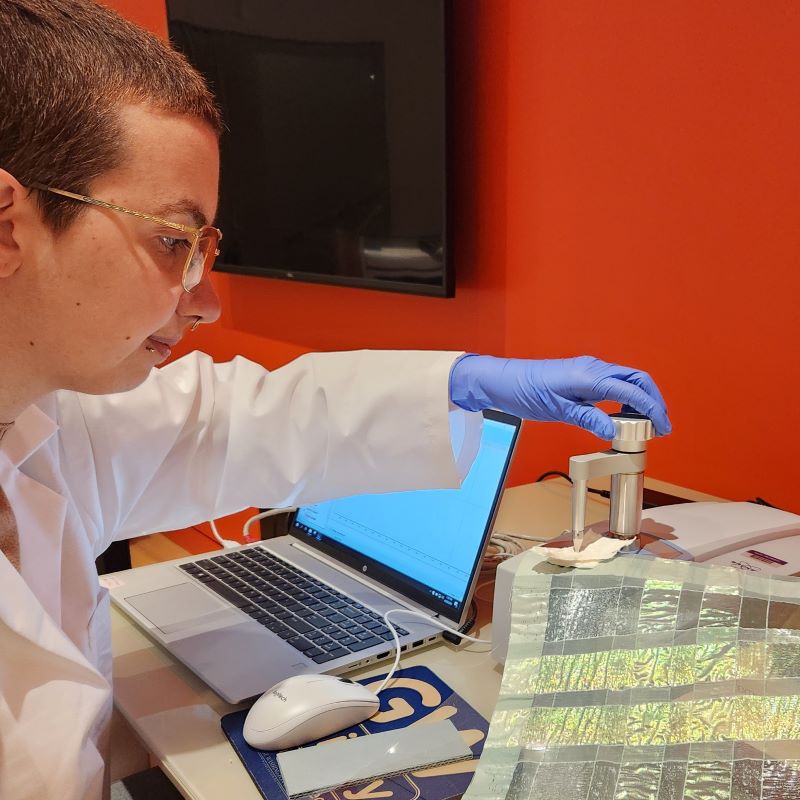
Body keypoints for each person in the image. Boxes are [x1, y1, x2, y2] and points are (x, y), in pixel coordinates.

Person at [0, 1, 671, 798]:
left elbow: (234, 423)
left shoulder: (41, 417)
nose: (206, 300)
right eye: (173, 241)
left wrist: (456, 383)